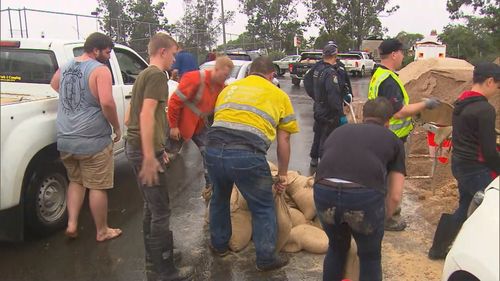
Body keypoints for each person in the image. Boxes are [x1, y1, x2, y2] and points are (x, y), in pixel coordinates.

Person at [206, 56, 299, 271]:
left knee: (220, 197)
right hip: (246, 156)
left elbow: (214, 120)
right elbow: (284, 140)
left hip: (212, 151)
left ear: (249, 72)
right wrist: (282, 174)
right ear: (272, 75)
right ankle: (266, 258)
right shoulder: (279, 95)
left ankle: (219, 245)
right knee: (263, 206)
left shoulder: (229, 89)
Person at [125, 33, 193, 281]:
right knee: (161, 210)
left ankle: (154, 258)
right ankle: (164, 270)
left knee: (151, 206)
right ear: (163, 51)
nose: (175, 59)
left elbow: (129, 115)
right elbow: (145, 115)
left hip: (140, 147)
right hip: (142, 151)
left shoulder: (143, 74)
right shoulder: (156, 75)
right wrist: (148, 155)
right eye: (173, 53)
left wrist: (158, 149)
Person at [314, 97, 406, 281]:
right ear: (389, 121)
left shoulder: (339, 131)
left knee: (336, 247)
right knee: (370, 256)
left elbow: (326, 163)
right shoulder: (394, 140)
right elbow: (395, 195)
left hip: (324, 192)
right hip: (363, 196)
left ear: (364, 116)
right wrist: (381, 218)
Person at [50, 32, 122, 242]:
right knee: (97, 186)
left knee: (76, 181)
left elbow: (54, 84)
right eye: (107, 52)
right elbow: (107, 103)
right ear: (96, 50)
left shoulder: (67, 66)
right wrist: (116, 128)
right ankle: (102, 231)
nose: (109, 57)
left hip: (66, 138)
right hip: (92, 140)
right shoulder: (100, 70)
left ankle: (72, 224)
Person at [428, 62, 500, 260]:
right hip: (477, 169)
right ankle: (481, 255)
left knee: (465, 206)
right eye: (497, 86)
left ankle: (438, 249)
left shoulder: (461, 103)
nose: (496, 91)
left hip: (460, 164)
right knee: (490, 211)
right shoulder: (485, 109)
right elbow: (489, 150)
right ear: (490, 81)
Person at [368, 38, 440, 231]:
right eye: (402, 53)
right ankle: (388, 218)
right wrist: (425, 104)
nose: (403, 56)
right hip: (393, 136)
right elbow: (398, 111)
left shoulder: (379, 75)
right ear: (394, 54)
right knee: (392, 178)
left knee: (382, 177)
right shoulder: (389, 81)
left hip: (381, 134)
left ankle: (380, 214)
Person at [166, 56, 234, 193]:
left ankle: (210, 187)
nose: (225, 78)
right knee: (166, 155)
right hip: (179, 124)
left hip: (198, 125)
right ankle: (156, 185)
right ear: (216, 69)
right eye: (225, 75)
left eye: (228, 76)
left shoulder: (221, 88)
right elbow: (174, 102)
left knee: (208, 153)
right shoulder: (195, 79)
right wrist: (173, 126)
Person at [305, 41, 352, 167]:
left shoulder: (318, 68)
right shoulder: (330, 72)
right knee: (326, 136)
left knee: (319, 132)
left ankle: (316, 159)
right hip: (329, 110)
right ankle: (324, 163)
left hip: (319, 107)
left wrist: (317, 97)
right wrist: (340, 113)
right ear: (335, 55)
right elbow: (333, 94)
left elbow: (308, 83)